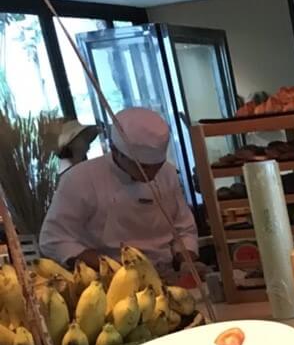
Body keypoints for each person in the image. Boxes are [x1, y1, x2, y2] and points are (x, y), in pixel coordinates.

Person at [39, 107, 197, 269]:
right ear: (115, 151)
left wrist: (186, 262)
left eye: (157, 166)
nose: (151, 174)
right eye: (142, 167)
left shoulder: (167, 173)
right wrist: (111, 268)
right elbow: (53, 239)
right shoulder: (79, 179)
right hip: (108, 277)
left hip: (167, 269)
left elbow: (184, 230)